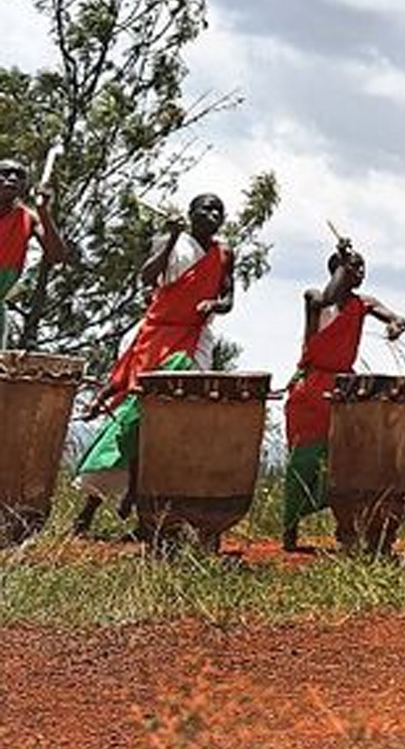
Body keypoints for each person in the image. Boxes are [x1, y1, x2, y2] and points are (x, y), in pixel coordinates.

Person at [73, 194, 236, 536]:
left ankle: (154, 519)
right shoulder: (170, 241)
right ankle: (89, 509)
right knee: (134, 418)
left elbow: (228, 298)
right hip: (156, 337)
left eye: (218, 209)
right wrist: (173, 237)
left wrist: (214, 304)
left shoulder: (225, 253)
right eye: (205, 208)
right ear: (190, 215)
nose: (213, 214)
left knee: (177, 427)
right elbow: (147, 277)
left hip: (195, 341)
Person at [281, 241, 405, 551]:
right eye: (353, 267)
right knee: (304, 460)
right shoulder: (314, 297)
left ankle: (345, 528)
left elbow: (395, 317)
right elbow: (328, 297)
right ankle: (290, 528)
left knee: (343, 463)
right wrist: (343, 263)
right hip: (310, 389)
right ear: (336, 269)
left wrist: (396, 325)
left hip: (344, 389)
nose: (359, 273)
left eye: (362, 268)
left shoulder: (364, 303)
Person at [0, 154, 68, 344]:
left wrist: (44, 212)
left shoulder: (29, 218)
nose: (12, 178)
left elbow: (57, 256)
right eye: (5, 173)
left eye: (19, 175)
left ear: (25, 186)